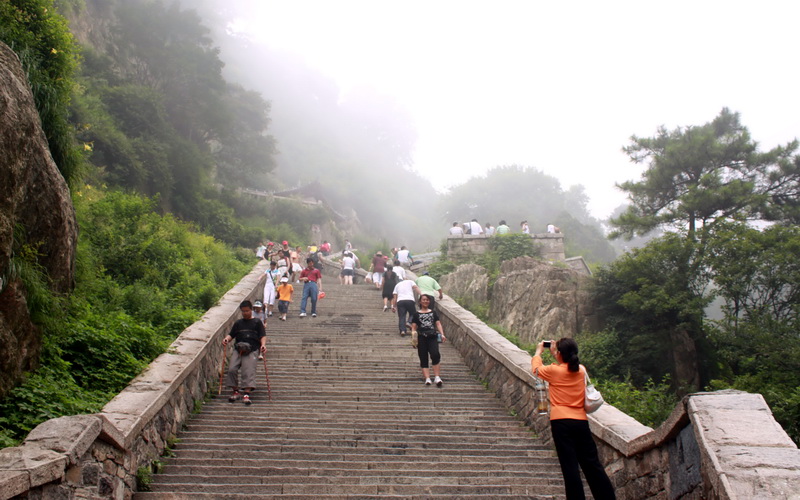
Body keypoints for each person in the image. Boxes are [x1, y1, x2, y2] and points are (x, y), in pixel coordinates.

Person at [531, 338, 616, 500]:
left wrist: (538, 352)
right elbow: (568, 365)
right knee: (592, 464)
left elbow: (536, 369)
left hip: (561, 423)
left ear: (560, 353)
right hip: (580, 422)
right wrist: (558, 353)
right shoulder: (581, 370)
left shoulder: (554, 371)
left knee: (570, 467)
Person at [222, 300, 267, 405]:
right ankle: (235, 391)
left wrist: (263, 345)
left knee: (248, 370)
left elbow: (262, 335)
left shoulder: (257, 322)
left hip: (252, 349)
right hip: (239, 349)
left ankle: (246, 393)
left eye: (247, 311)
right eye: (243, 311)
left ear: (251, 310)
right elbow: (231, 334)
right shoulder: (238, 323)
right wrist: (226, 339)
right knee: (232, 369)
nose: (245, 313)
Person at [410, 294, 447, 387]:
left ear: (429, 301)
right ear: (420, 302)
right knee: (423, 357)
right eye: (424, 300)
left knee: (435, 354)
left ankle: (437, 377)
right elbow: (413, 328)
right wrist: (414, 340)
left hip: (432, 337)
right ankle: (427, 378)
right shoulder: (416, 314)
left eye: (427, 300)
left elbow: (438, 324)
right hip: (421, 337)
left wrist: (442, 334)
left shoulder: (433, 313)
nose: (425, 301)